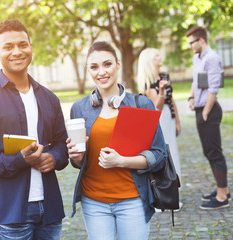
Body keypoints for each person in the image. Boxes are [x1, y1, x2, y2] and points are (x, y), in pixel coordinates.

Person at [0, 19, 68, 239]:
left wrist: (55, 158)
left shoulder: (49, 98)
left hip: (50, 209)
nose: (17, 52)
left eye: (23, 45)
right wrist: (17, 161)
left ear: (31, 47)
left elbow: (61, 144)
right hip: (11, 213)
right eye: (8, 47)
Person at [67, 41, 167, 240]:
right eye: (94, 67)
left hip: (132, 200)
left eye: (107, 64)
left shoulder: (141, 104)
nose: (101, 72)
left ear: (118, 64)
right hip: (93, 202)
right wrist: (77, 157)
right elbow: (78, 163)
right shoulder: (79, 109)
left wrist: (121, 161)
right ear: (88, 70)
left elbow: (159, 155)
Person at [186, 26, 230, 210]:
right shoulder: (198, 58)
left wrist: (205, 112)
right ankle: (223, 189)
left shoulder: (212, 58)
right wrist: (191, 98)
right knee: (208, 151)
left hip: (209, 110)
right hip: (201, 108)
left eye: (191, 42)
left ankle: (222, 197)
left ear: (201, 40)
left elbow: (213, 87)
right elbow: (196, 81)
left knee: (214, 152)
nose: (190, 46)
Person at [136, 48, 183, 211]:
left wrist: (177, 120)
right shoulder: (147, 83)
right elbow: (157, 106)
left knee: (174, 154)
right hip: (158, 121)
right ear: (150, 60)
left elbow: (171, 100)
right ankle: (162, 196)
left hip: (168, 119)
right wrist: (161, 91)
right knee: (164, 155)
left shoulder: (164, 76)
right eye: (156, 55)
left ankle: (173, 193)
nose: (160, 57)